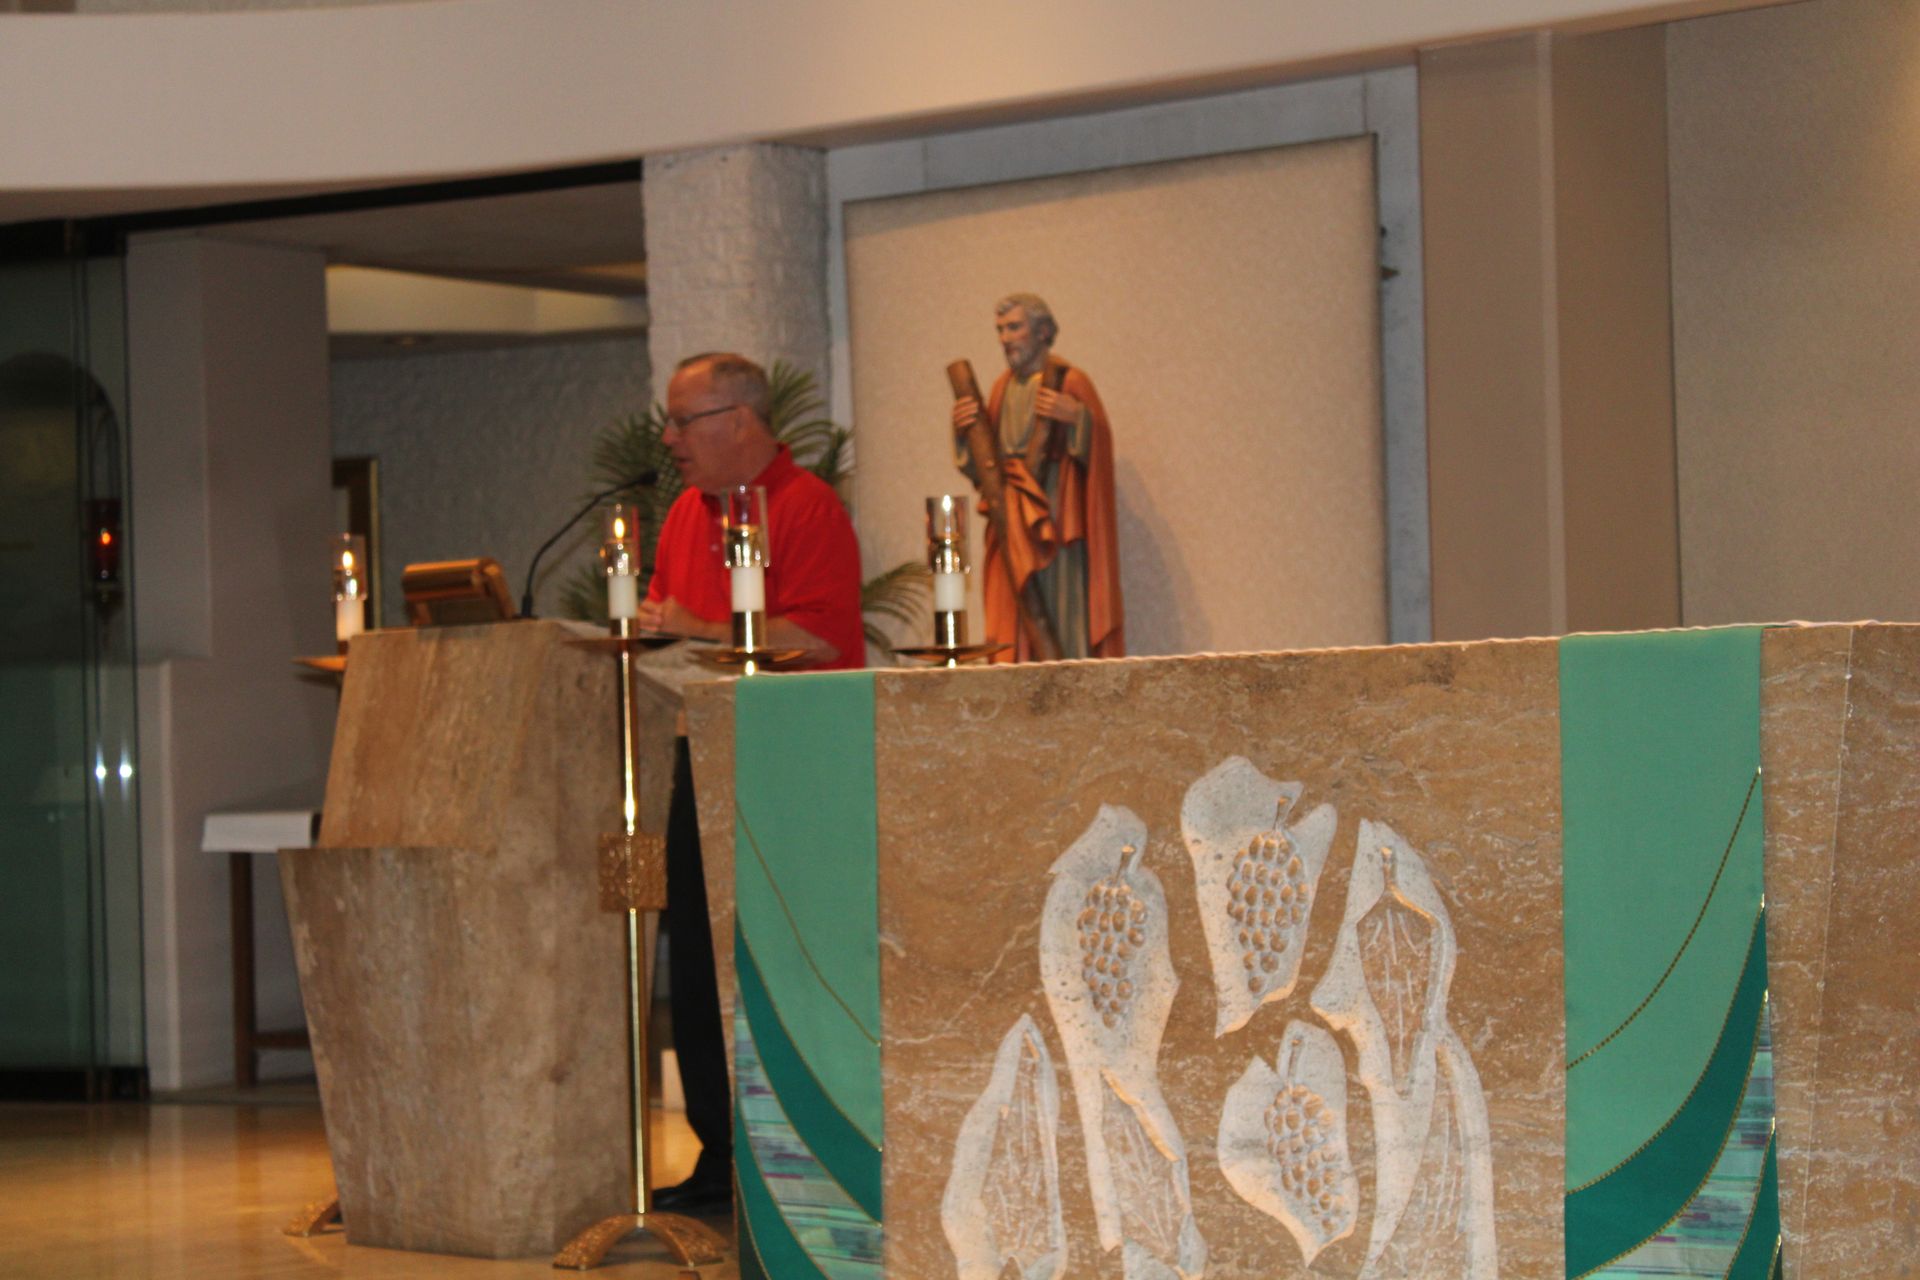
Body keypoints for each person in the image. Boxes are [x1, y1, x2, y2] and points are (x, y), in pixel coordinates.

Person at [637, 352, 866, 1213]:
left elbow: (822, 639)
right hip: (697, 753)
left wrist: (698, 626)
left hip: (788, 766)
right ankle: (716, 1153)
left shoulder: (808, 509)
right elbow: (663, 621)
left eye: (683, 421)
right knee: (695, 965)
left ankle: (785, 1158)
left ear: (738, 420)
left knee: (770, 967)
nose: (669, 439)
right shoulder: (681, 516)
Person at [951, 293, 1124, 661]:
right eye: (1000, 330)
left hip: (1058, 525)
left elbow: (1099, 453)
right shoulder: (1002, 388)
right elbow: (985, 470)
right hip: (1012, 520)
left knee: (1063, 615)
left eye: (1014, 327)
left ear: (1044, 331)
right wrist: (965, 433)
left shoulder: (1071, 381)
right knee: (1014, 618)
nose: (1005, 338)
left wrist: (1078, 419)